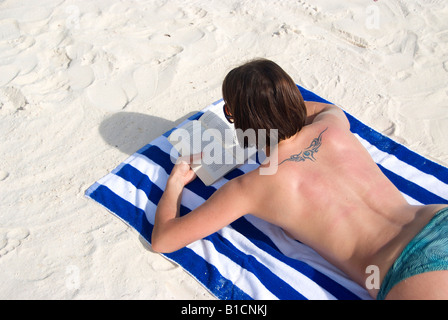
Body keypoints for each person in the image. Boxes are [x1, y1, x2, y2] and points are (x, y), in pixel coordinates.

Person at [151, 59, 448, 300]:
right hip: (437, 219)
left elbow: (165, 239)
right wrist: (278, 110)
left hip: (403, 268)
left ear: (239, 120)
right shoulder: (332, 125)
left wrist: (176, 181)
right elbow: (322, 108)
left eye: (229, 112)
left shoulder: (251, 188)